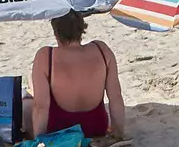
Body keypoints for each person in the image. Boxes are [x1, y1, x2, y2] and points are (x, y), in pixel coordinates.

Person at [28, 9, 125, 140]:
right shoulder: (102, 49)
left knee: (26, 105)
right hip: (96, 128)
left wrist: (39, 141)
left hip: (61, 131)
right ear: (81, 29)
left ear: (56, 33)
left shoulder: (46, 56)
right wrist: (118, 133)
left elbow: (40, 107)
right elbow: (116, 98)